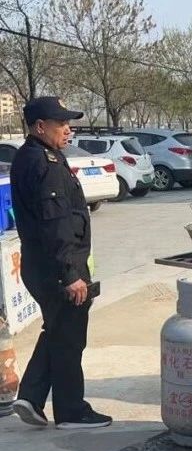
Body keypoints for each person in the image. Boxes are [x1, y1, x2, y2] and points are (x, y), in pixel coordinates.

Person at [10, 96, 112, 429]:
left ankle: (30, 396)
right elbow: (55, 224)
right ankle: (71, 411)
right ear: (40, 127)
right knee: (68, 338)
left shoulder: (29, 156)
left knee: (57, 329)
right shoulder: (47, 164)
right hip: (57, 268)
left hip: (42, 264)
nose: (69, 130)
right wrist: (70, 273)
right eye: (62, 124)